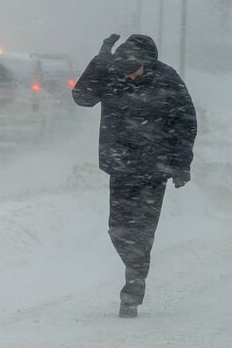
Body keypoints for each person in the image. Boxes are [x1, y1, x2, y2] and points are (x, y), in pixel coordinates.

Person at [72, 34, 197, 318]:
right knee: (117, 228)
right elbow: (82, 97)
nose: (130, 76)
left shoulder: (167, 79)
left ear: (147, 63)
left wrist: (181, 164)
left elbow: (185, 122)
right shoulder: (112, 73)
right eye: (124, 71)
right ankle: (135, 266)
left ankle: (133, 287)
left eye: (135, 70)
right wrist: (100, 60)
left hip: (155, 169)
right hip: (121, 166)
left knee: (142, 230)